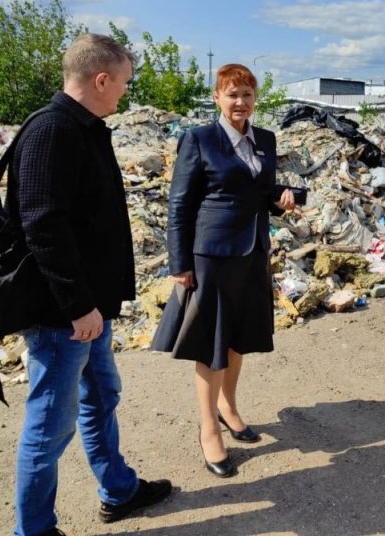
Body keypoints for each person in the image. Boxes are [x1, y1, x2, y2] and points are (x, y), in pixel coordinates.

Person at [8, 34, 172, 536]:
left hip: (90, 309)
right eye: (123, 83)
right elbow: (42, 225)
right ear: (101, 79)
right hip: (65, 315)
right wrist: (79, 307)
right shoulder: (53, 130)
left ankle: (118, 490)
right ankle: (33, 531)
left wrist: (95, 306)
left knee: (101, 395)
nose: (125, 93)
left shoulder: (85, 127)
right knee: (49, 427)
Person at [153, 63, 296, 478]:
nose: (241, 102)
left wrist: (280, 199)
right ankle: (208, 430)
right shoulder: (199, 139)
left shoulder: (264, 139)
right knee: (212, 343)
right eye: (232, 95)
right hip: (211, 257)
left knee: (238, 338)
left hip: (253, 253)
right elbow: (179, 204)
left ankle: (228, 406)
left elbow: (261, 192)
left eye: (248, 95)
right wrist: (179, 264)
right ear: (217, 98)